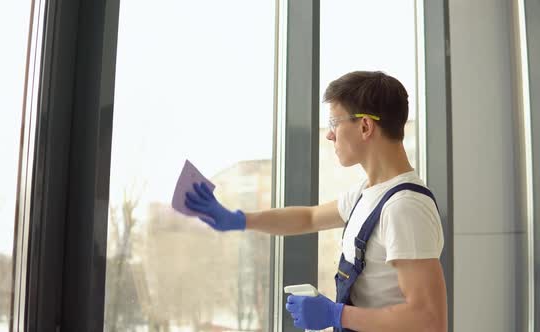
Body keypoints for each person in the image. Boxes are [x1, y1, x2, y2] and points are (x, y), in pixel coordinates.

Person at [185, 71, 447, 332]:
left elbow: (428, 319)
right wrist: (241, 219)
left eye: (335, 123)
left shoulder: (405, 207)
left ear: (365, 126)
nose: (329, 135)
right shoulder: (367, 194)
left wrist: (337, 315)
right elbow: (308, 217)